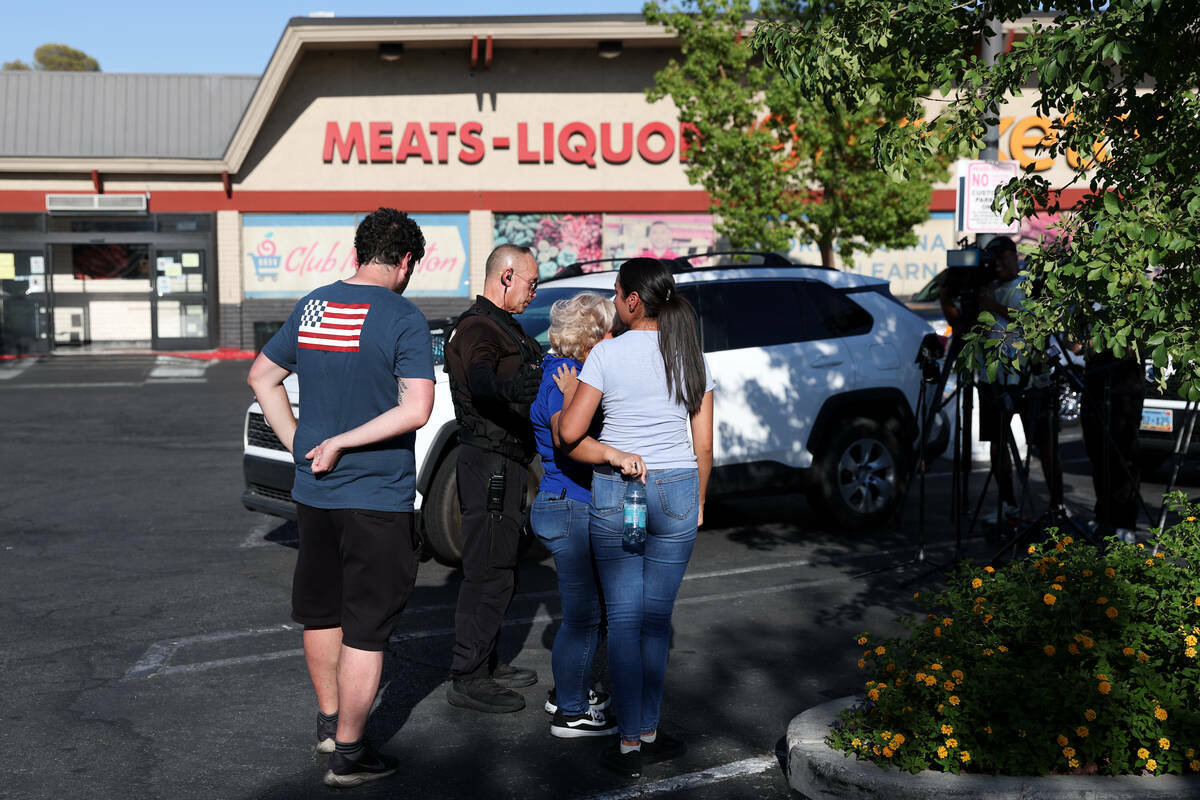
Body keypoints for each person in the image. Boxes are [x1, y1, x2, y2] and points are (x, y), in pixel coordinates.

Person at [247, 208, 435, 788]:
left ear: (360, 251)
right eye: (411, 267)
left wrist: (303, 444)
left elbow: (261, 377)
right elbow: (418, 409)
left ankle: (330, 725)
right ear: (404, 261)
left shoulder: (315, 304)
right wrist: (340, 442)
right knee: (367, 627)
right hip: (375, 494)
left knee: (322, 610)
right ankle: (349, 754)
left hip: (316, 493)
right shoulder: (403, 315)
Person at [558, 257, 714, 778]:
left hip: (622, 489)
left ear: (630, 301)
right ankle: (649, 730)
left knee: (624, 620)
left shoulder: (606, 354)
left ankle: (628, 742)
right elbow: (704, 443)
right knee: (654, 621)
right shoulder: (691, 354)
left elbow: (571, 435)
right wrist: (699, 501)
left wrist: (571, 405)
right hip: (677, 489)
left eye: (615, 291)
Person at [529, 292, 636, 739]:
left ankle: (568, 692)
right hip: (566, 506)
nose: (616, 337)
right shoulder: (562, 374)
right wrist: (615, 455)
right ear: (591, 337)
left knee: (586, 613)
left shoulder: (570, 372)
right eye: (610, 330)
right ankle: (571, 712)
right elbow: (563, 436)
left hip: (568, 504)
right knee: (583, 616)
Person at [443, 243, 545, 713]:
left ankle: (486, 660)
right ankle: (467, 675)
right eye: (531, 282)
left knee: (500, 566)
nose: (533, 291)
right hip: (489, 464)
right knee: (487, 572)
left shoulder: (504, 326)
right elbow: (482, 381)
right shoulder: (478, 327)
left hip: (504, 463)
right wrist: (511, 389)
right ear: (506, 276)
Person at [1080, 349, 1144, 540]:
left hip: (1125, 387)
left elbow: (1136, 346)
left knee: (1124, 458)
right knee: (1097, 456)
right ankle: (1103, 517)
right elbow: (1073, 345)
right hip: (1094, 385)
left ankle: (1125, 522)